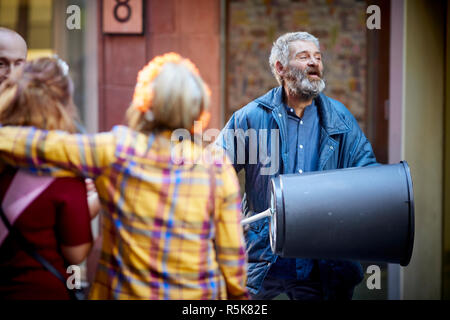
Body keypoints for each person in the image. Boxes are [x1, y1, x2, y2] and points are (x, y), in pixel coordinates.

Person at [0, 53, 248, 300]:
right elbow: (231, 253)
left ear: (144, 104)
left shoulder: (117, 150)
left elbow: (43, 145)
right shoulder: (216, 166)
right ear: (198, 108)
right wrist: (238, 296)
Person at [217, 31, 377, 300]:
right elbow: (215, 172)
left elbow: (368, 176)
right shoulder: (251, 117)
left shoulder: (341, 119)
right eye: (303, 57)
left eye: (318, 57)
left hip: (323, 266)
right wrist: (228, 221)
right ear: (280, 68)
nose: (314, 62)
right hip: (262, 263)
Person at [0, 57, 97, 300]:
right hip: (39, 290)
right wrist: (95, 203)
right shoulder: (64, 171)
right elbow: (76, 254)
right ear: (64, 104)